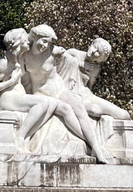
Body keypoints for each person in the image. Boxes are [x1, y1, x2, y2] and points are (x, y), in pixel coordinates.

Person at [21, 25, 115, 164]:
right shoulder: (24, 55)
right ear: (34, 37)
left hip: (59, 89)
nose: (44, 45)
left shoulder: (53, 51)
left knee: (79, 108)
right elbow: (20, 78)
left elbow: (67, 58)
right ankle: (93, 145)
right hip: (42, 93)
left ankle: (96, 147)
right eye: (43, 41)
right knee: (66, 110)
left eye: (48, 42)